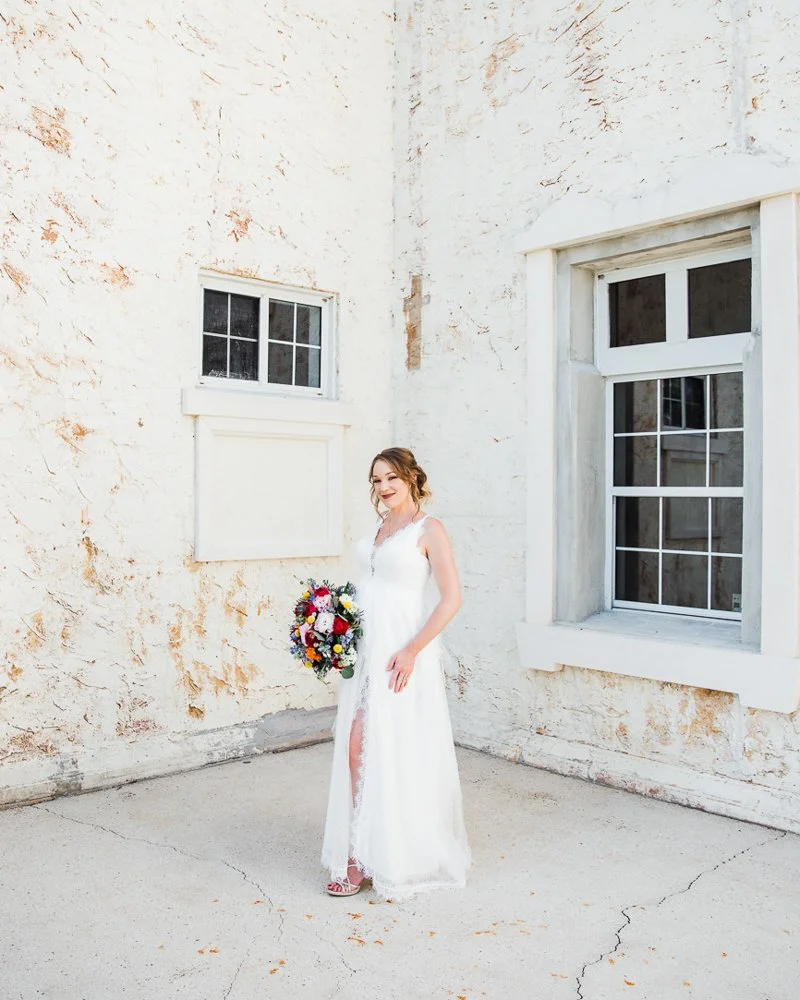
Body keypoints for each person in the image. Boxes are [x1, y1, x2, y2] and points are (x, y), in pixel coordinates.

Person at [321, 447, 471, 899]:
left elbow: (451, 599)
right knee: (357, 747)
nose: (383, 487)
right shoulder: (380, 526)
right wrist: (331, 625)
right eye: (376, 480)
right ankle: (360, 850)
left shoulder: (429, 530)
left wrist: (411, 650)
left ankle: (376, 856)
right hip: (368, 650)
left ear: (411, 478)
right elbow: (370, 586)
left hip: (401, 655)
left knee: (383, 747)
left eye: (391, 478)